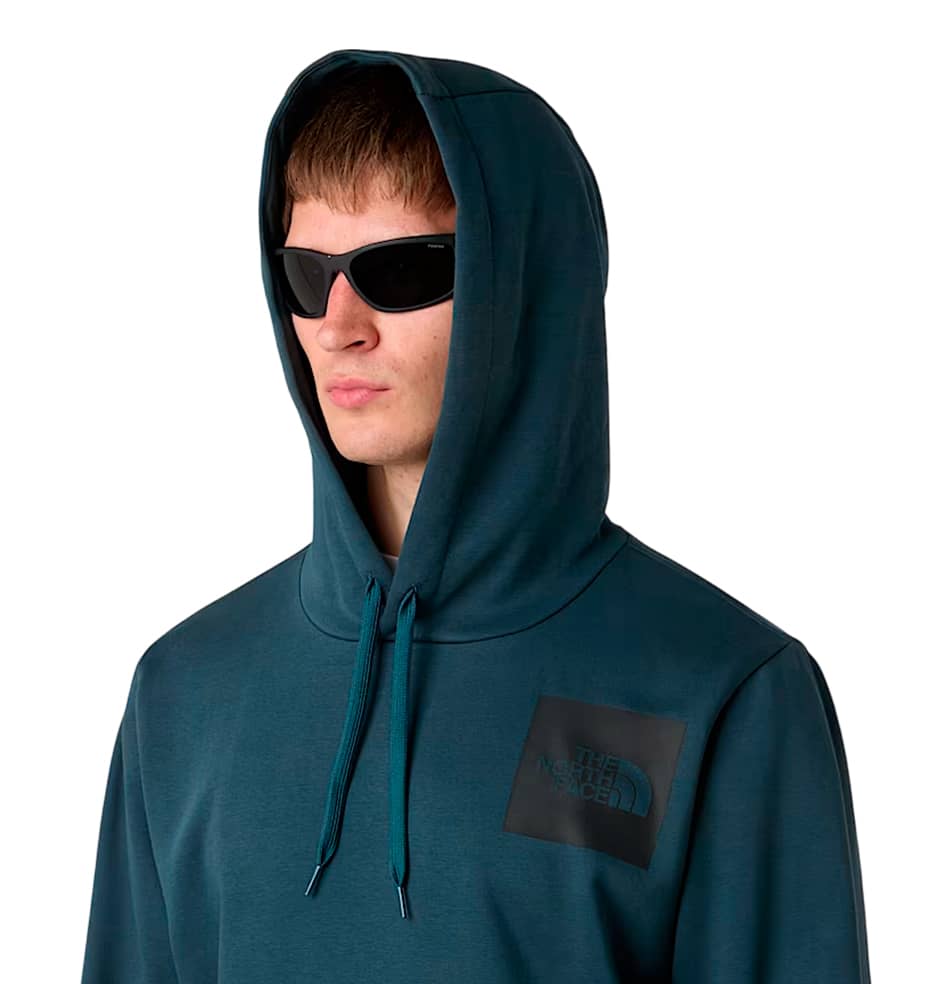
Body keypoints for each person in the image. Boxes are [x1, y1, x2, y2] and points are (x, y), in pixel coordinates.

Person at [80, 49, 872, 983]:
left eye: (400, 270)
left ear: (528, 285)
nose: (339, 325)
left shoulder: (717, 688)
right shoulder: (184, 691)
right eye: (305, 274)